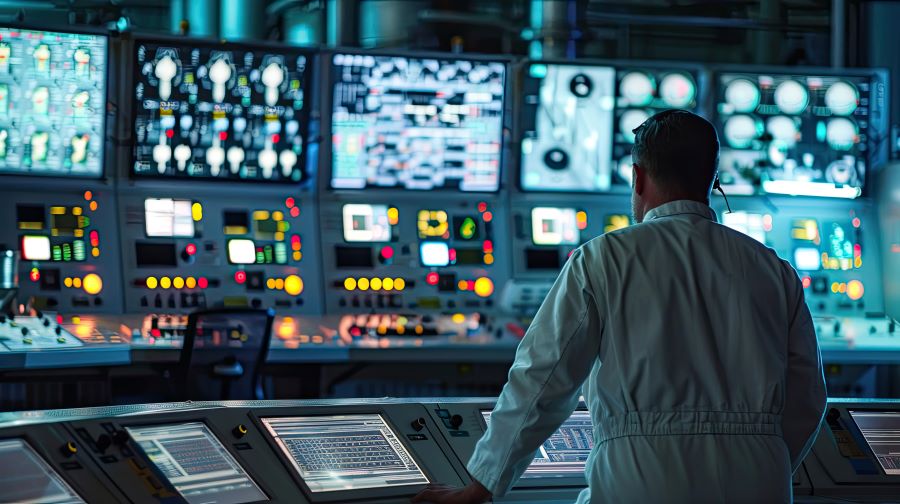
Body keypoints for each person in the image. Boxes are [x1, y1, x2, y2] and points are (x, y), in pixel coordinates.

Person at [412, 110, 827, 503]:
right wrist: (759, 457)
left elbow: (541, 380)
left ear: (638, 177)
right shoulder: (775, 270)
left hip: (643, 478)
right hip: (760, 482)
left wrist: (482, 484)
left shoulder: (602, 259)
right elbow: (808, 397)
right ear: (713, 181)